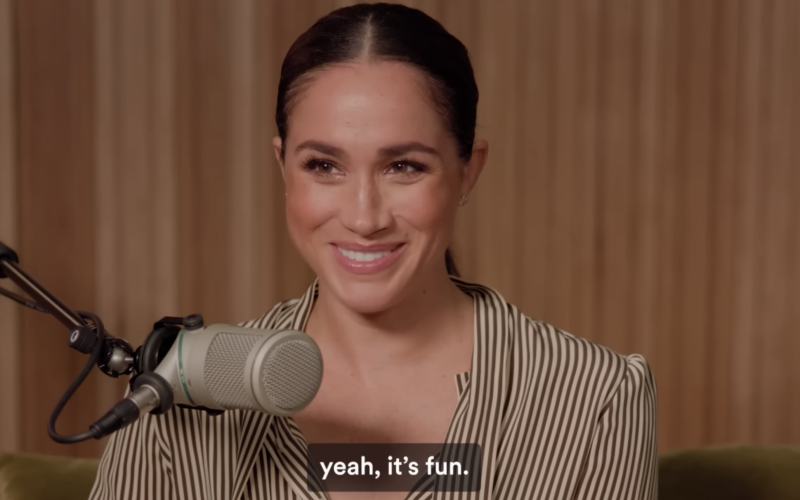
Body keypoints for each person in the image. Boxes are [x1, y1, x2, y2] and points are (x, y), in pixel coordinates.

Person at [90, 3, 657, 499]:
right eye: (324, 165)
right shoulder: (171, 388)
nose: (364, 218)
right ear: (283, 167)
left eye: (404, 166)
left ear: (468, 171)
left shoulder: (599, 400)